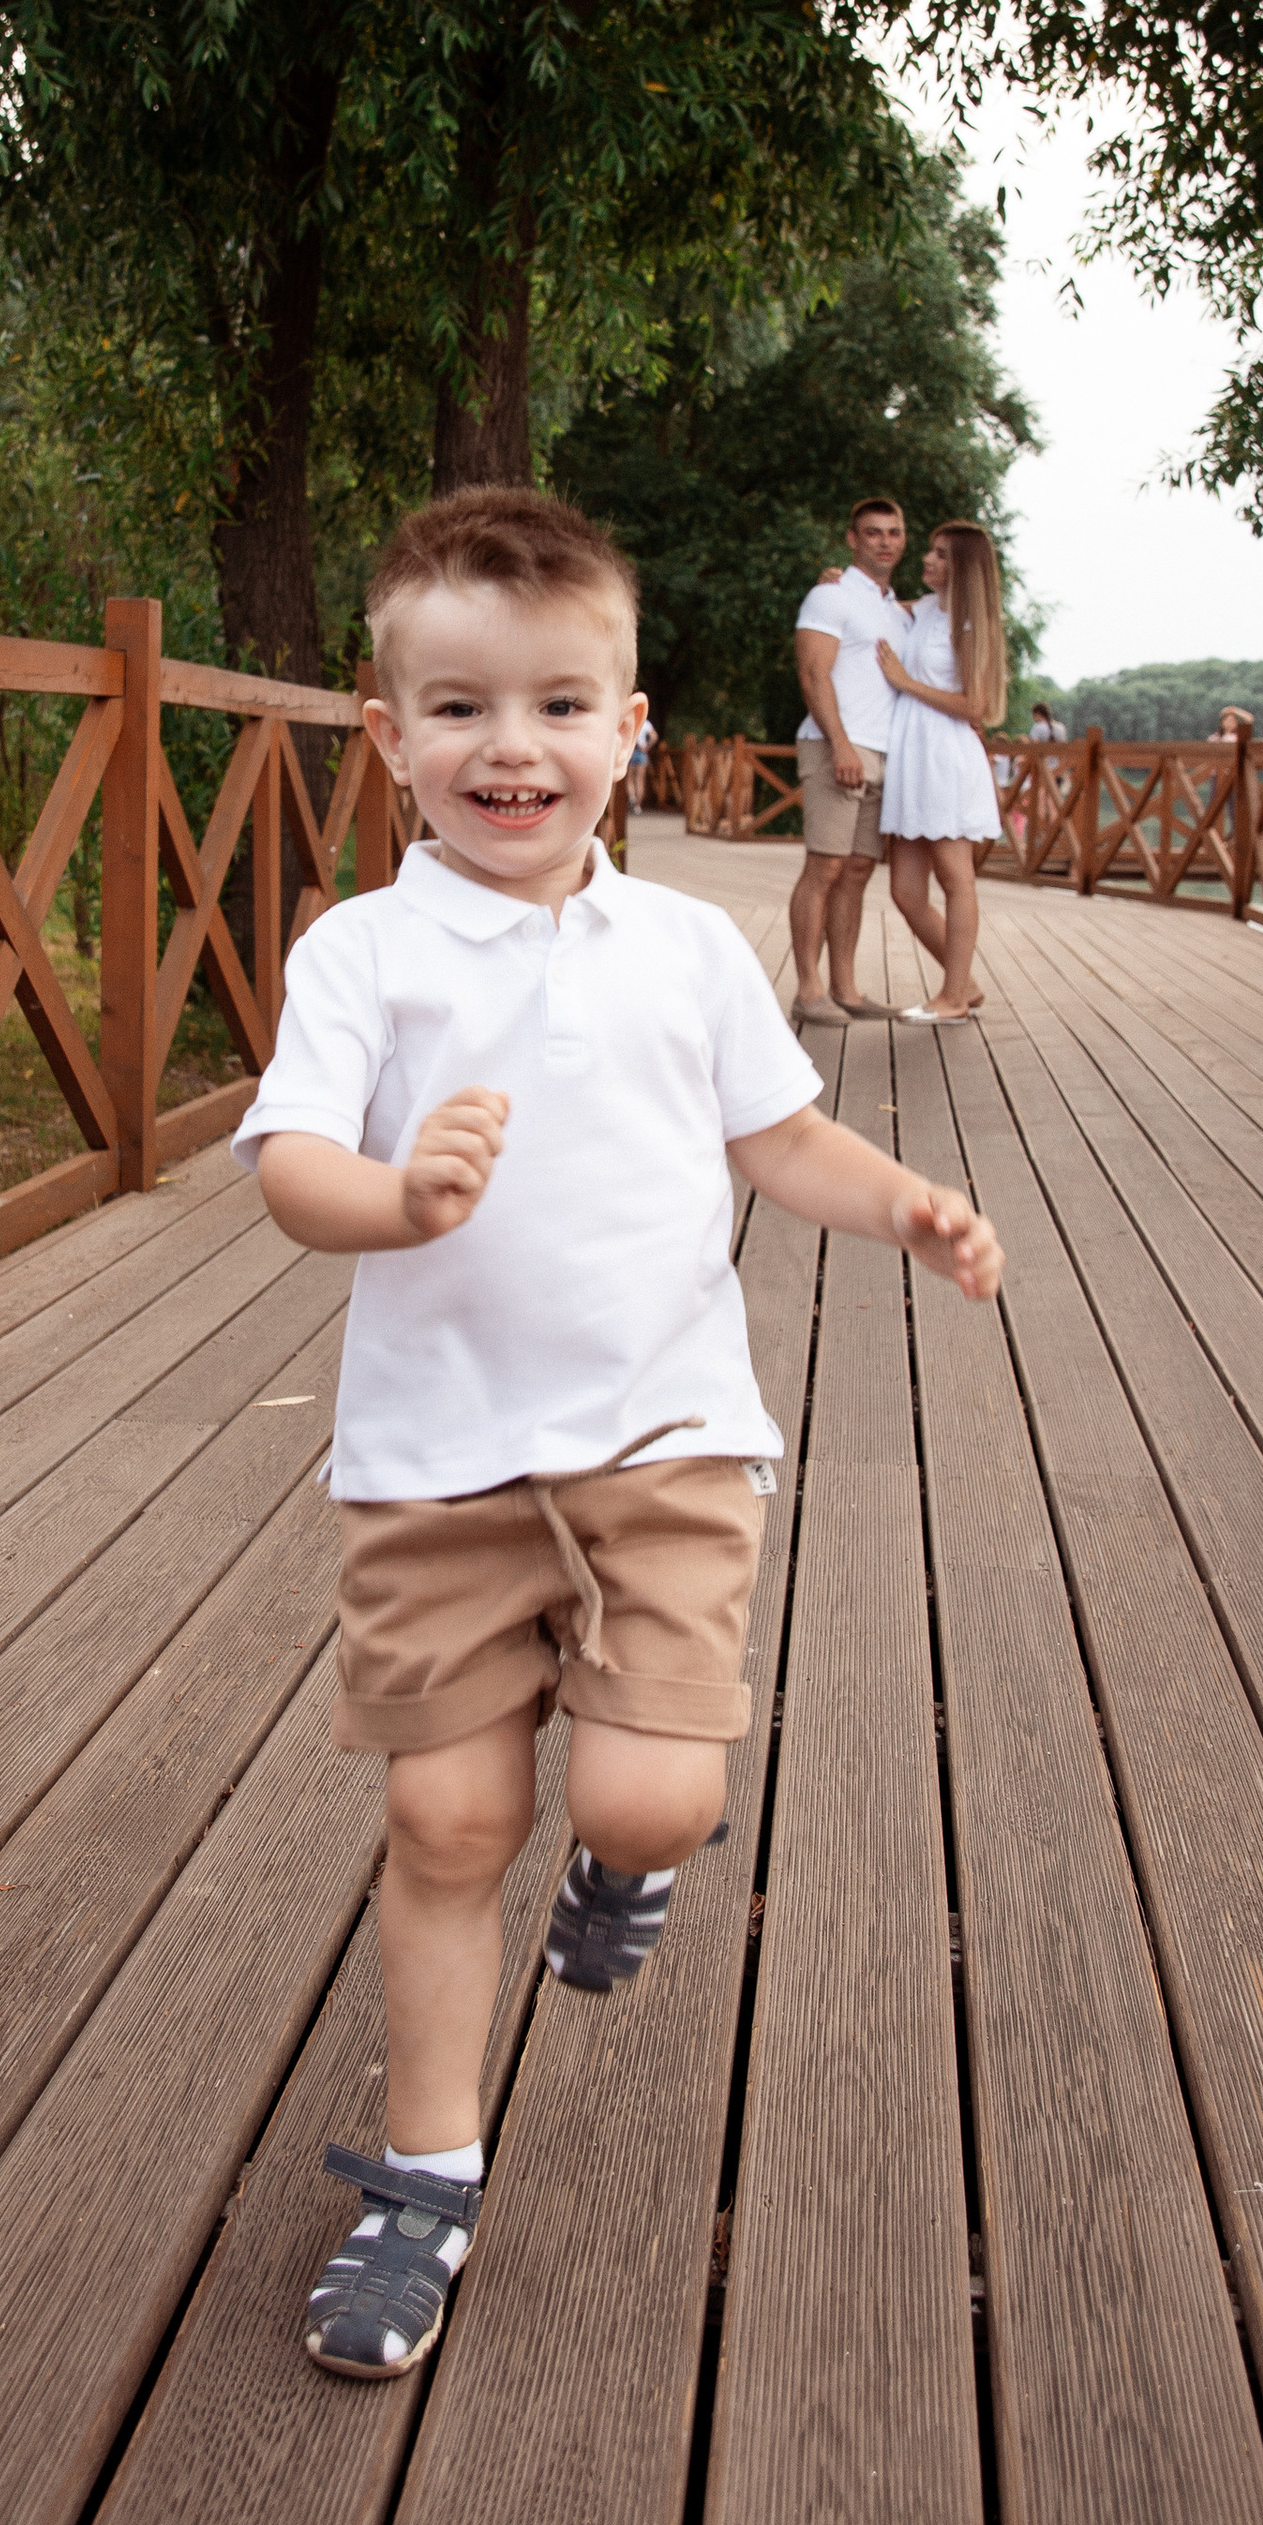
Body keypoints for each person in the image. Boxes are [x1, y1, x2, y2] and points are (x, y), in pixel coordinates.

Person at [237, 484, 1005, 2381]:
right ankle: (423, 2179)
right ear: (388, 729)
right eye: (465, 709)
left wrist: (902, 1201)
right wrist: (397, 1198)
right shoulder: (364, 954)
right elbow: (289, 1167)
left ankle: (630, 1859)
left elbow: (776, 1138)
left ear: (631, 728)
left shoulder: (684, 952)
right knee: (445, 1815)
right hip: (440, 1467)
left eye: (563, 708)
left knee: (651, 1796)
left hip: (663, 1443)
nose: (516, 750)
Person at [876, 522, 1008, 1022]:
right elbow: (880, 606)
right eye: (930, 552)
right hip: (913, 756)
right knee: (906, 891)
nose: (927, 560)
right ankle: (965, 984)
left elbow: (975, 704)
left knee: (956, 876)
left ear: (964, 568)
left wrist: (905, 682)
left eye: (940, 555)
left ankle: (951, 996)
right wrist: (837, 581)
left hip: (946, 756)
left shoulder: (971, 624)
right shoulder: (924, 610)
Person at [789, 495, 915, 1021]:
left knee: (859, 869)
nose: (884, 541)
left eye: (893, 532)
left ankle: (847, 989)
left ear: (903, 539)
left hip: (884, 750)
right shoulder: (830, 596)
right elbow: (813, 674)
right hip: (836, 744)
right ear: (852, 539)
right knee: (825, 865)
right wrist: (839, 743)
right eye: (872, 532)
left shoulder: (897, 611)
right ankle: (808, 990)